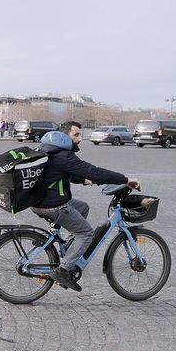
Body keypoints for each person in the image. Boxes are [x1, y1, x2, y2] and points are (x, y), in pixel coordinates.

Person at [31, 121, 140, 291]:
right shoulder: (64, 156)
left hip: (40, 200)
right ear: (64, 136)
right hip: (53, 205)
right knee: (86, 233)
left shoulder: (50, 150)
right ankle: (64, 269)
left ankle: (69, 247)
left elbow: (60, 172)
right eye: (76, 135)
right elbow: (93, 171)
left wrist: (82, 180)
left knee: (83, 207)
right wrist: (125, 180)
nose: (80, 139)